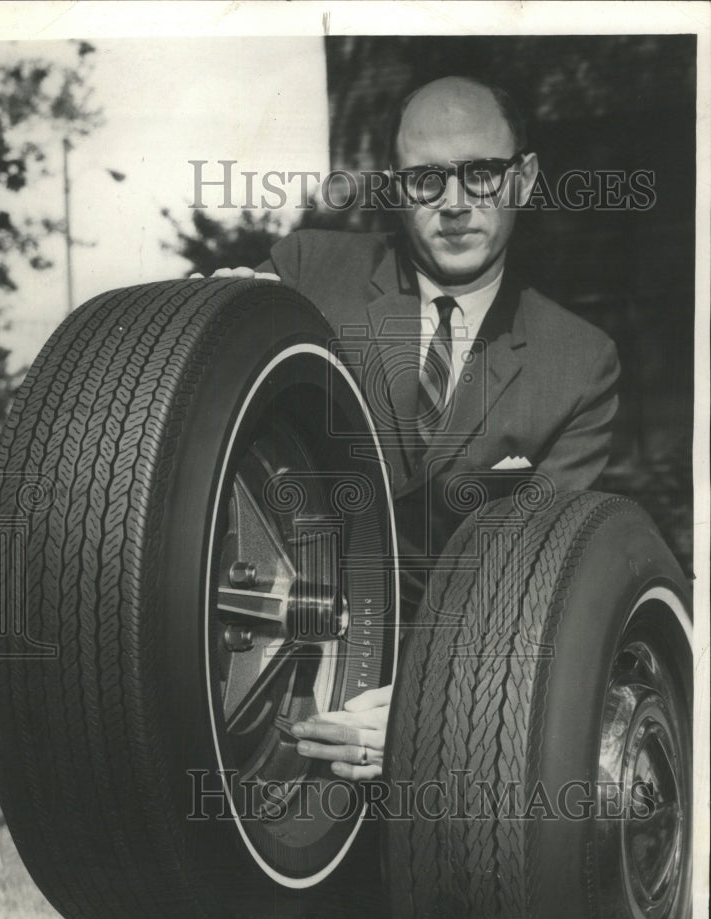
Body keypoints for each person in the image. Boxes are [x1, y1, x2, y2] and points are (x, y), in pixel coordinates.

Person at [193, 76, 620, 781]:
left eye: (481, 174)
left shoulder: (579, 362)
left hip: (461, 726)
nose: (454, 205)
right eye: (426, 180)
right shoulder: (310, 272)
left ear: (525, 178)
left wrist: (432, 712)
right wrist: (210, 320)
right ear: (396, 187)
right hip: (280, 690)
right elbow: (206, 413)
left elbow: (535, 591)